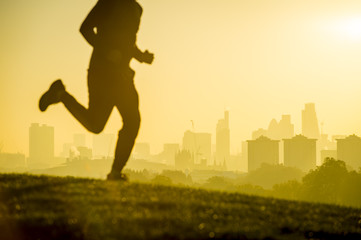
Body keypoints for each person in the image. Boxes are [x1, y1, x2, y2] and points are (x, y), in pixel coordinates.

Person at [39, 0, 154, 181]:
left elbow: (127, 44)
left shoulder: (137, 9)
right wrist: (108, 52)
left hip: (123, 76)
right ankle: (60, 94)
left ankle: (115, 172)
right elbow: (85, 29)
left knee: (133, 122)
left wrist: (141, 56)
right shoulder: (108, 2)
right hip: (102, 74)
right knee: (96, 125)